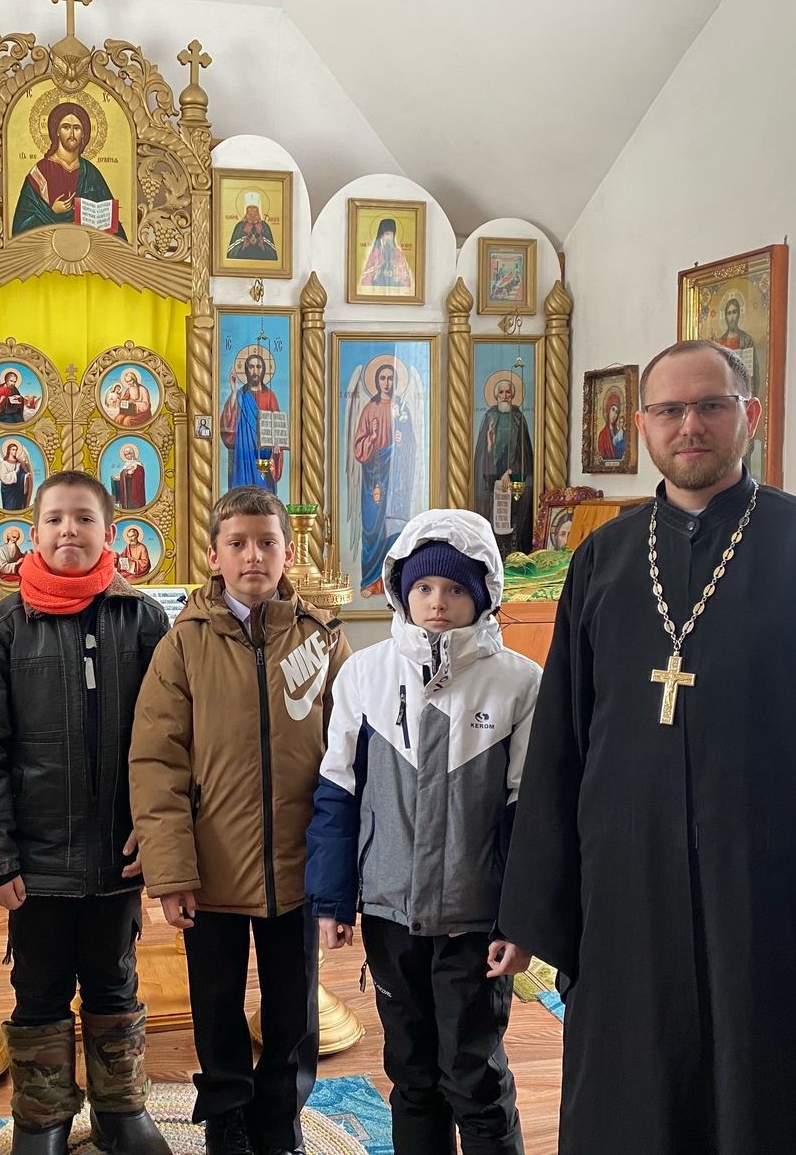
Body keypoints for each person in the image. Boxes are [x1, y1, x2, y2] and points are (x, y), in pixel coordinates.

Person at [497, 339, 796, 1155]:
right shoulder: (603, 559)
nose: (690, 425)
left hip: (772, 901)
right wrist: (534, 899)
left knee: (768, 1105)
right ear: (643, 426)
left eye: (710, 406)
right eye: (670, 410)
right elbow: (559, 749)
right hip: (628, 899)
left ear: (748, 415)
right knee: (630, 1104)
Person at [130, 486, 352, 1155]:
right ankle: (226, 1109)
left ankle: (280, 1117)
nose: (253, 555)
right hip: (213, 865)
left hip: (299, 862)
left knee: (293, 1005)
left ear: (287, 552)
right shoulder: (183, 645)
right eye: (238, 543)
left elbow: (350, 754)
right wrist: (171, 870)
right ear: (214, 555)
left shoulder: (321, 639)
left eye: (266, 542)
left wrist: (341, 870)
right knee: (216, 998)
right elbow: (157, 760)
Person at [308, 509, 537, 1155]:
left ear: (483, 594)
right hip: (391, 915)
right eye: (425, 587)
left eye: (456, 588)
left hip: (476, 921)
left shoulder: (519, 683)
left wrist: (521, 920)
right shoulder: (365, 675)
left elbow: (528, 814)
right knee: (410, 1074)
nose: (438, 602)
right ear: (401, 591)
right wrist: (331, 899)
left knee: (474, 1074)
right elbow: (337, 793)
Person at [0, 470, 171, 1155]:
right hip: (35, 859)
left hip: (118, 853)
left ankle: (120, 1111)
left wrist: (158, 834)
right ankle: (42, 1118)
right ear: (31, 533)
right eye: (54, 519)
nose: (68, 530)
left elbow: (171, 738)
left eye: (83, 518)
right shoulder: (3, 627)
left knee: (114, 980)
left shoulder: (143, 620)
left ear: (112, 533)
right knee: (39, 987)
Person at [11, 102, 125, 238]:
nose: (71, 134)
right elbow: (21, 225)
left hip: (85, 244)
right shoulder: (40, 172)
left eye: (77, 128)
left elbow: (111, 224)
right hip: (47, 245)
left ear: (83, 133)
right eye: (66, 127)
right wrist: (52, 212)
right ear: (57, 131)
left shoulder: (90, 172)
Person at [351, 362, 416, 596]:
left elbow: (412, 446)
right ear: (376, 382)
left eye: (390, 378)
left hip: (396, 481)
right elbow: (358, 448)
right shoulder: (370, 408)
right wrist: (372, 439)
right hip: (374, 479)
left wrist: (402, 441)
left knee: (394, 527)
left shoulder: (402, 408)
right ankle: (370, 581)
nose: (387, 383)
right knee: (373, 529)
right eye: (383, 378)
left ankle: (392, 583)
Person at [470, 376, 534, 556]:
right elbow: (483, 454)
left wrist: (510, 471)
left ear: (512, 395)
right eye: (501, 392)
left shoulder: (518, 418)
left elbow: (524, 452)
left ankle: (513, 555)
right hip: (491, 483)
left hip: (514, 481)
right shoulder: (489, 417)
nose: (504, 396)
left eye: (508, 392)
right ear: (496, 395)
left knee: (513, 522)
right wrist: (490, 445)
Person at [221, 346, 285, 493]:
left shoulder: (270, 396)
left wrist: (277, 447)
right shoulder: (240, 395)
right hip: (244, 452)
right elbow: (228, 424)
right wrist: (233, 391)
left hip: (264, 455)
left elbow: (278, 427)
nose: (255, 371)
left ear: (263, 370)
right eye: (251, 367)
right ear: (246, 370)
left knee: (264, 493)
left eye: (258, 367)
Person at [358, 217, 412, 290]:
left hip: (395, 291)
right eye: (386, 234)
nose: (389, 238)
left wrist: (397, 271)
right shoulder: (375, 254)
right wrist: (376, 269)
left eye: (391, 235)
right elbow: (365, 280)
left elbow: (406, 280)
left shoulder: (398, 254)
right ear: (382, 236)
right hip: (377, 290)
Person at [225, 193, 277, 262]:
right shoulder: (240, 226)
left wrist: (263, 246)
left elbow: (273, 255)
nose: (252, 211)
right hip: (243, 263)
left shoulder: (264, 226)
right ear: (246, 210)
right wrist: (243, 246)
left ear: (258, 210)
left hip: (261, 263)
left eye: (254, 208)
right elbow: (231, 253)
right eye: (249, 208)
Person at [0, 441, 34, 511]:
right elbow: (4, 478)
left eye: (16, 449)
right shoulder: (4, 463)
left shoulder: (18, 462)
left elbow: (22, 474)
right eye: (13, 449)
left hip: (18, 490)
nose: (15, 451)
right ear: (9, 450)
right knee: (9, 508)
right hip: (8, 491)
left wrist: (25, 476)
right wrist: (15, 471)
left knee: (18, 508)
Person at [111, 443, 148, 511]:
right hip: (127, 487)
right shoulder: (127, 464)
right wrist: (126, 471)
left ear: (132, 453)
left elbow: (140, 474)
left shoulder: (138, 463)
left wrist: (133, 473)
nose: (127, 456)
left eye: (128, 454)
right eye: (126, 455)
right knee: (128, 502)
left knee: (135, 504)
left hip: (135, 487)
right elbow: (122, 472)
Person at [594, 392, 626, 462]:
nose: (614, 415)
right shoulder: (602, 435)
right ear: (608, 410)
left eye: (617, 412)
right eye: (613, 410)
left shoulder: (619, 433)